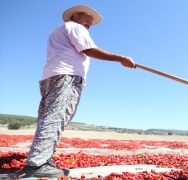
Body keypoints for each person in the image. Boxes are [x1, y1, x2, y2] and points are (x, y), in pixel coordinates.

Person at [8, 5, 136, 179]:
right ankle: (37, 165)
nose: (89, 24)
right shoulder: (75, 27)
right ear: (76, 16)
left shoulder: (59, 30)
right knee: (56, 118)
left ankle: (41, 160)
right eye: (87, 19)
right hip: (66, 77)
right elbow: (88, 49)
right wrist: (120, 58)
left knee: (48, 117)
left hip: (52, 76)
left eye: (90, 23)